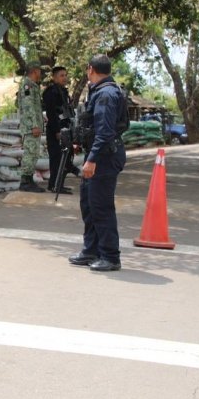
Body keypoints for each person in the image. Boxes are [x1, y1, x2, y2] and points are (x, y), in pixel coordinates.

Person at [69, 54, 128, 272]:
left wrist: (91, 159)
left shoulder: (105, 94)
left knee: (101, 207)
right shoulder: (101, 91)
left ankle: (110, 256)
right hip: (98, 154)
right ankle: (91, 250)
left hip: (103, 157)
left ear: (91, 69)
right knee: (89, 204)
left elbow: (105, 132)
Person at [42, 66, 80, 194]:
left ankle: (60, 184)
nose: (64, 78)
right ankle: (53, 185)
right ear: (54, 77)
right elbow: (51, 114)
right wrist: (57, 131)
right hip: (55, 131)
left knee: (67, 156)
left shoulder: (64, 92)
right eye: (61, 75)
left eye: (65, 75)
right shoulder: (50, 92)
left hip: (66, 128)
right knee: (57, 158)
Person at [17, 61, 46, 193]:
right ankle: (25, 181)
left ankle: (29, 180)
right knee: (30, 153)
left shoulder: (32, 85)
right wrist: (34, 125)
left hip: (33, 125)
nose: (40, 73)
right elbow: (28, 107)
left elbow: (18, 103)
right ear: (35, 71)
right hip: (30, 127)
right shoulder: (27, 84)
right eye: (39, 70)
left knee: (33, 154)